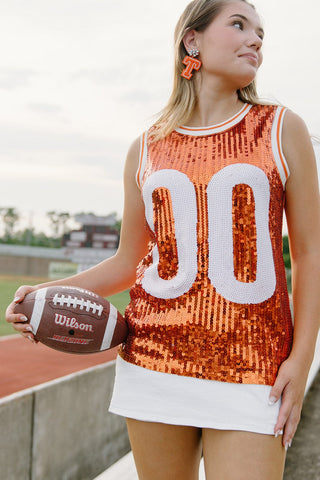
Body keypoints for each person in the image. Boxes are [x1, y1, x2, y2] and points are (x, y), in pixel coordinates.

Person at [6, 0, 320, 479]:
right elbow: (129, 261)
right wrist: (44, 296)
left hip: (255, 367)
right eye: (238, 24)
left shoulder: (282, 128)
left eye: (261, 32)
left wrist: (301, 359)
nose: (256, 38)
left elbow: (310, 253)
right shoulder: (148, 145)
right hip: (154, 360)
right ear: (191, 40)